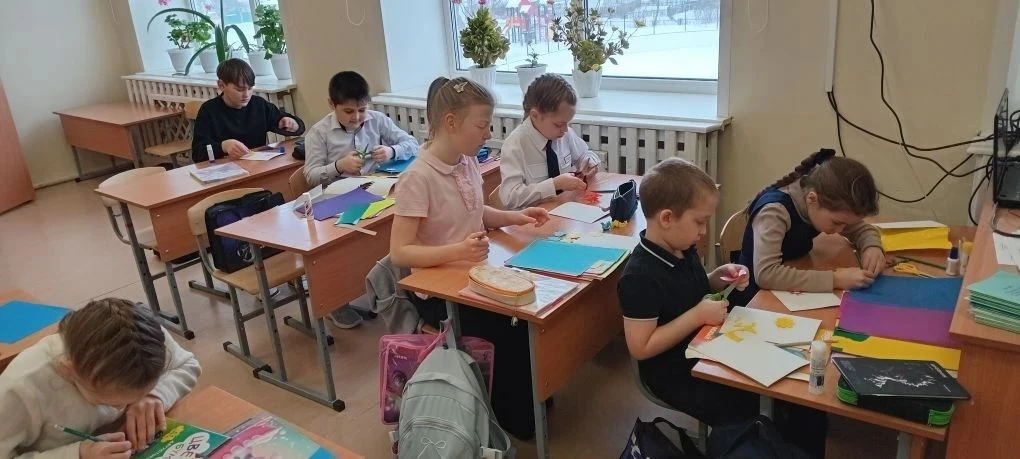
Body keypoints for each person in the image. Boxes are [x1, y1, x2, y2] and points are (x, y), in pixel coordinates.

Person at [619, 158, 827, 458]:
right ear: (667, 218)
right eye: (699, 222)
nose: (703, 230)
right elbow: (641, 347)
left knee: (796, 398)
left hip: (708, 345)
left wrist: (716, 278)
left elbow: (687, 290)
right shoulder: (639, 276)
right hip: (676, 371)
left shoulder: (681, 247)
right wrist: (697, 316)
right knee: (759, 405)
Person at [389, 76, 550, 439]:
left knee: (529, 314)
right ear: (450, 122)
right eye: (481, 125)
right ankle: (514, 417)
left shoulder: (466, 162)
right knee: (511, 326)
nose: (488, 133)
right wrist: (458, 251)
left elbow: (476, 212)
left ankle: (531, 400)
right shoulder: (418, 178)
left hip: (474, 274)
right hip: (438, 292)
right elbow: (399, 252)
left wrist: (516, 217)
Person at [0, 298, 201, 458]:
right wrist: (77, 454)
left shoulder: (143, 338)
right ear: (69, 370)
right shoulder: (21, 387)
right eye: (106, 402)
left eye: (132, 399)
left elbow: (188, 365)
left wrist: (155, 395)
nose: (121, 409)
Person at [737, 149, 883, 302]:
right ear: (812, 199)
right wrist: (836, 279)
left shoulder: (819, 205)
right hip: (754, 299)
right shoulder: (774, 212)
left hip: (789, 287)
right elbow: (766, 274)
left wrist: (872, 247)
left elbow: (860, 228)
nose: (841, 230)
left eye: (845, 224)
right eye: (837, 223)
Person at [498, 74, 600, 210]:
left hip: (566, 211)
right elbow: (510, 198)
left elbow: (585, 154)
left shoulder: (564, 133)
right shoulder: (515, 145)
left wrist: (589, 162)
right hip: (534, 219)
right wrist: (554, 184)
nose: (565, 129)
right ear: (535, 116)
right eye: (559, 124)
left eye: (568, 123)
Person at [302, 70, 418, 188]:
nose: (357, 117)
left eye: (362, 110)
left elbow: (413, 144)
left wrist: (392, 152)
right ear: (332, 104)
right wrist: (339, 166)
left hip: (377, 184)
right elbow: (311, 177)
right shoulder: (318, 132)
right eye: (348, 111)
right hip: (340, 191)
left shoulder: (377, 119)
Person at [190, 58, 304, 162]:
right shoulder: (209, 111)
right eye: (240, 89)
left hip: (258, 165)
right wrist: (223, 146)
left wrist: (292, 124)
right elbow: (198, 153)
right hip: (226, 169)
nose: (246, 95)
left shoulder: (259, 105)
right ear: (221, 85)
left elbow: (297, 127)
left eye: (250, 88)